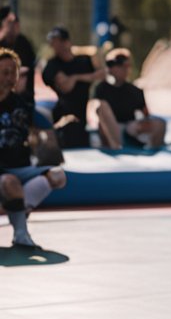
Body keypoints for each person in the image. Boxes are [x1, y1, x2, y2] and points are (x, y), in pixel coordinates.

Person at [0, 47, 67, 248]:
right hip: (3, 172)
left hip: (22, 167)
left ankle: (13, 207)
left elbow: (40, 134)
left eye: (14, 72)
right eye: (5, 72)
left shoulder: (24, 104)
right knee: (10, 183)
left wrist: (50, 137)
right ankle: (21, 233)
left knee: (57, 175)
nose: (11, 77)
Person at [40, 26, 105, 149]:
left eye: (57, 41)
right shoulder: (52, 64)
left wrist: (76, 77)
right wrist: (87, 77)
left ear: (67, 42)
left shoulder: (83, 60)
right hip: (63, 118)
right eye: (52, 42)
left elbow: (102, 74)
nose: (54, 45)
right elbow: (66, 87)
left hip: (82, 117)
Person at [91, 49, 167, 151]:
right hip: (111, 131)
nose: (126, 70)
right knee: (102, 106)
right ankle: (115, 148)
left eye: (128, 66)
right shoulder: (101, 89)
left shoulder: (135, 91)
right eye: (121, 66)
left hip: (130, 130)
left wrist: (141, 126)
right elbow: (93, 115)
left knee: (160, 123)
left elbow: (147, 116)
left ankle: (152, 150)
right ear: (111, 68)